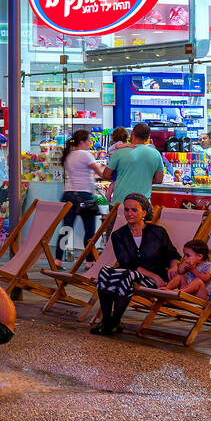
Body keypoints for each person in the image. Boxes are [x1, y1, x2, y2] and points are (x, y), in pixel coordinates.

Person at [92, 193, 179, 336]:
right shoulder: (119, 235)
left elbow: (172, 254)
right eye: (126, 210)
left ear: (144, 212)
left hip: (153, 278)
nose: (129, 213)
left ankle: (111, 322)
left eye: (134, 210)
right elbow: (127, 263)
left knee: (124, 275)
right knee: (105, 271)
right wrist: (153, 276)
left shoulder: (158, 232)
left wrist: (174, 266)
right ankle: (109, 321)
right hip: (131, 274)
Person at [57, 130, 107, 261]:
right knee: (89, 230)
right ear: (82, 142)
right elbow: (100, 173)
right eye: (89, 140)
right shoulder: (86, 155)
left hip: (68, 196)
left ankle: (57, 259)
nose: (91, 143)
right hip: (84, 198)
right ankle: (89, 260)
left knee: (66, 229)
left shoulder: (68, 155)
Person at [102, 123, 166, 207]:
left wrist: (123, 177)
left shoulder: (119, 152)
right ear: (148, 137)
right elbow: (158, 180)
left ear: (132, 134)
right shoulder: (156, 154)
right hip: (143, 204)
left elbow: (106, 175)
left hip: (120, 204)